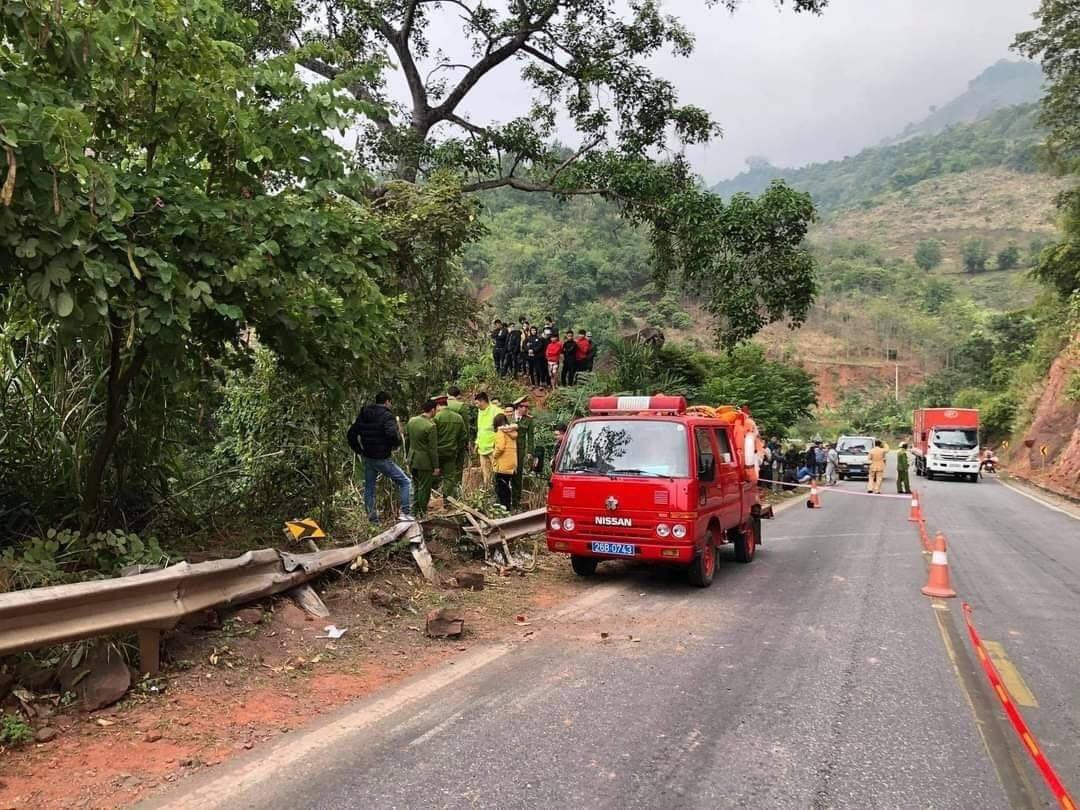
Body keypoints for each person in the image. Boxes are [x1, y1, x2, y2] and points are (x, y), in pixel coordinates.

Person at [347, 392, 412, 523]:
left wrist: (359, 450)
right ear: (387, 402)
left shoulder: (363, 415)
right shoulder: (387, 416)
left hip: (368, 457)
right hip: (382, 458)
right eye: (390, 402)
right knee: (405, 482)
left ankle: (372, 520)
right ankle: (406, 514)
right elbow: (392, 434)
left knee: (369, 488)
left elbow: (351, 434)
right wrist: (396, 444)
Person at [405, 399, 440, 516]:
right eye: (436, 409)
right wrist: (436, 466)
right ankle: (421, 512)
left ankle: (414, 511)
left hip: (412, 459)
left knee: (415, 486)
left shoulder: (412, 421)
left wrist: (407, 457)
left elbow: (407, 441)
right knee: (424, 488)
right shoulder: (431, 426)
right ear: (432, 410)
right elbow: (432, 449)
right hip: (424, 462)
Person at [434, 395, 467, 498]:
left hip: (437, 453)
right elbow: (463, 436)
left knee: (435, 476)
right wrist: (457, 447)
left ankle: (434, 498)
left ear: (438, 405)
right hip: (451, 452)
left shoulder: (436, 418)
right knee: (449, 478)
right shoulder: (458, 418)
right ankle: (447, 501)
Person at [511, 397, 535, 507]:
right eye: (522, 406)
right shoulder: (509, 416)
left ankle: (516, 499)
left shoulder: (528, 420)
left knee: (518, 474)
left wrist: (530, 452)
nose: (525, 409)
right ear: (517, 407)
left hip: (520, 450)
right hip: (507, 449)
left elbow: (530, 437)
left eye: (527, 407)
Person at [492, 413, 518, 509]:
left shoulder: (500, 433)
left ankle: (504, 507)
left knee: (502, 487)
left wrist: (494, 455)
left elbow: (500, 447)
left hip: (502, 464)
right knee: (507, 485)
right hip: (511, 463)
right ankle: (508, 505)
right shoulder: (512, 432)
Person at [475, 392, 497, 485]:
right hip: (482, 448)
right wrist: (477, 442)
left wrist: (497, 446)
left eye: (477, 403)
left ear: (483, 401)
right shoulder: (480, 411)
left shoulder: (496, 411)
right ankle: (487, 493)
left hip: (493, 448)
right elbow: (480, 428)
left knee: (497, 473)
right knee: (486, 475)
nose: (476, 406)